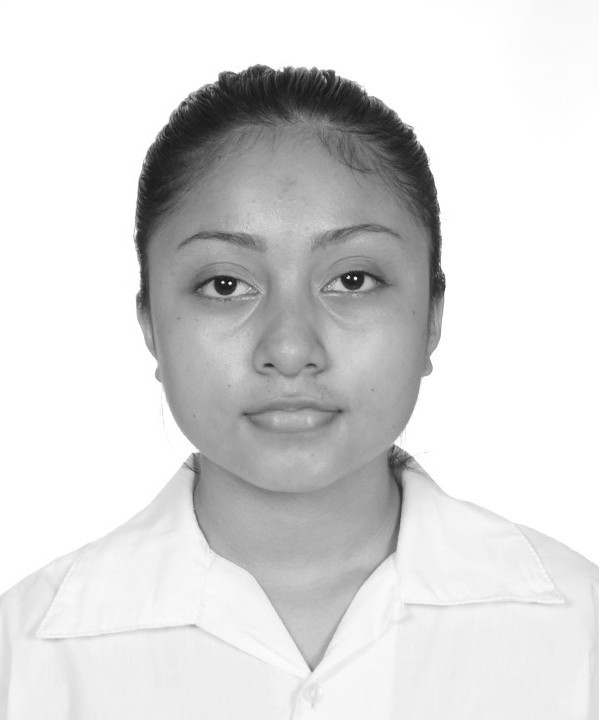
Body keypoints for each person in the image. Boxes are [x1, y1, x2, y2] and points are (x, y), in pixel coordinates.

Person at [1, 64, 597, 719]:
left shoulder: (580, 634)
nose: (289, 349)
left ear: (432, 316)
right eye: (225, 285)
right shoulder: (23, 659)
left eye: (353, 280)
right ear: (150, 324)